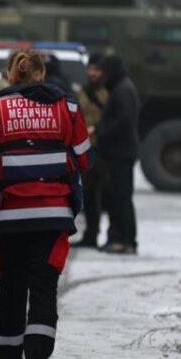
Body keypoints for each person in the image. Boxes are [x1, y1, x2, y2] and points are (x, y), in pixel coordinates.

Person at [0, 50, 93, 359]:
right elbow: (84, 158)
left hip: (9, 218)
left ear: (9, 74)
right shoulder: (68, 108)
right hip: (53, 218)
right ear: (42, 74)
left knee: (12, 291)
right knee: (44, 289)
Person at [95, 54, 140, 255]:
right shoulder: (122, 88)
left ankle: (125, 239)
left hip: (121, 153)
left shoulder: (123, 90)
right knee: (116, 197)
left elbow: (123, 121)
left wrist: (102, 133)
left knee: (121, 197)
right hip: (117, 153)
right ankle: (120, 238)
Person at [72, 53, 109, 248]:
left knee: (104, 195)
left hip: (103, 150)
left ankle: (109, 235)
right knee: (88, 195)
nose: (92, 73)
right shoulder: (83, 93)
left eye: (97, 70)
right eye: (90, 69)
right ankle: (90, 234)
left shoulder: (108, 93)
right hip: (85, 150)